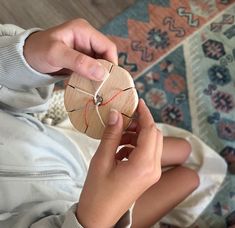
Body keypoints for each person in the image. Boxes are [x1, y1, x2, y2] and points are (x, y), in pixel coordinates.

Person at [0, 19, 199, 228]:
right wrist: (95, 219)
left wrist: (23, 58)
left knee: (184, 149)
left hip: (73, 154)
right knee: (189, 178)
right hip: (97, 211)